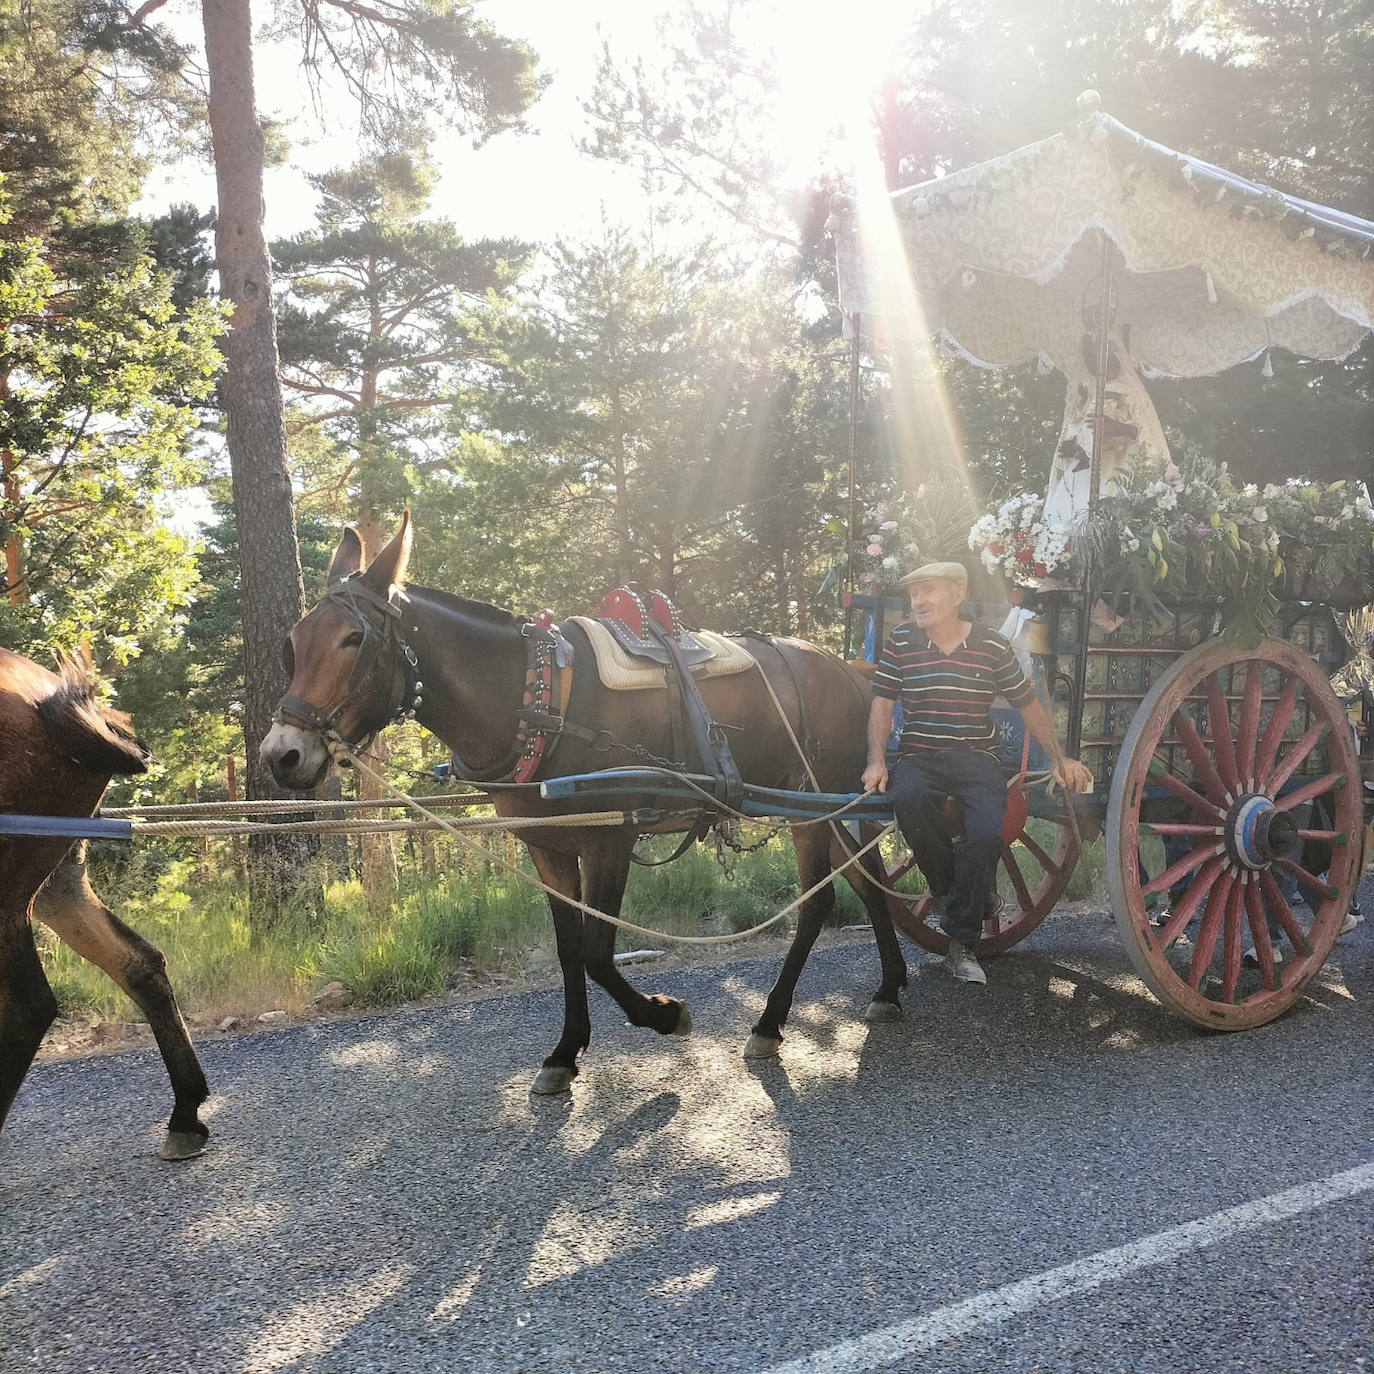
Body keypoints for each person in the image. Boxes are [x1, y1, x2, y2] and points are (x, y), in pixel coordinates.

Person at [862, 561, 1094, 985]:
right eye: (915, 594)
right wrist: (877, 759)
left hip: (977, 758)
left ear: (957, 594)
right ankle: (962, 894)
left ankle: (961, 943)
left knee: (987, 833)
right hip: (919, 756)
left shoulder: (990, 646)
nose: (919, 601)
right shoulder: (901, 641)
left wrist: (1058, 758)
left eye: (929, 591)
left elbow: (1027, 703)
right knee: (908, 799)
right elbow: (881, 703)